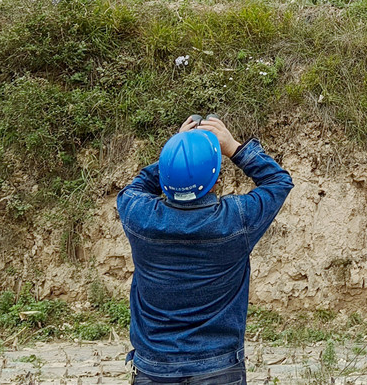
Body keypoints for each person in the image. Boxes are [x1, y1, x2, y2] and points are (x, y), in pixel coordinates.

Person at [117, 115, 294, 385]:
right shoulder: (236, 219)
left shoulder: (137, 215)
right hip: (219, 367)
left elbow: (137, 185)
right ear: (215, 176)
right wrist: (234, 147)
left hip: (154, 368)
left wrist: (176, 149)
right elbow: (278, 182)